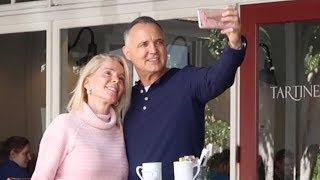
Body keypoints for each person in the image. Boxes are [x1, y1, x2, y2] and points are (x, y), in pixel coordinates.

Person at [121, 5, 247, 180]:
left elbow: (219, 77)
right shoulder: (126, 98)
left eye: (159, 42)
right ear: (127, 53)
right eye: (144, 44)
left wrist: (234, 44)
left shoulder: (186, 81)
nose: (153, 50)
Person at [31, 54, 131, 180]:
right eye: (108, 73)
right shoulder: (64, 125)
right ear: (87, 83)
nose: (116, 80)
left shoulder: (119, 130)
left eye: (121, 78)